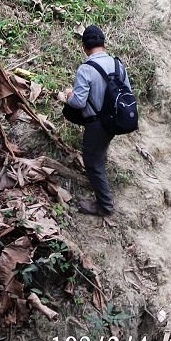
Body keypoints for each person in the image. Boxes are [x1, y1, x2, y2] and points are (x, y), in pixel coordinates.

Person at [58, 25, 131, 217]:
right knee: (99, 152)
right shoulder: (117, 64)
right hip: (116, 120)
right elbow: (127, 92)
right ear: (104, 44)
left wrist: (67, 95)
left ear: (84, 47)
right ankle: (101, 161)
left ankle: (104, 206)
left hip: (97, 124)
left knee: (92, 162)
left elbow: (78, 102)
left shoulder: (86, 69)